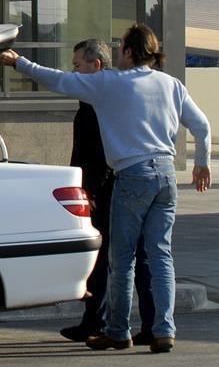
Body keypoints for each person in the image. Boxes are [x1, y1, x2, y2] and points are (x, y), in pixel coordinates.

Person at [0, 24, 211, 354]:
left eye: (121, 47)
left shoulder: (110, 84)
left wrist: (17, 62)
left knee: (121, 259)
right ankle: (164, 329)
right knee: (160, 254)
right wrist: (201, 162)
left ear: (131, 51)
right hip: (166, 176)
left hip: (132, 174)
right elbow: (201, 125)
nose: (118, 52)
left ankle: (118, 331)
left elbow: (58, 80)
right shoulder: (171, 85)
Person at [59, 39, 155, 345]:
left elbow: (95, 150)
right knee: (139, 256)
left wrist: (89, 188)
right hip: (124, 182)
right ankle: (151, 325)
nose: (73, 72)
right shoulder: (110, 96)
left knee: (111, 257)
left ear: (96, 65)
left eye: (77, 65)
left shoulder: (100, 101)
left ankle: (100, 323)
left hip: (108, 186)